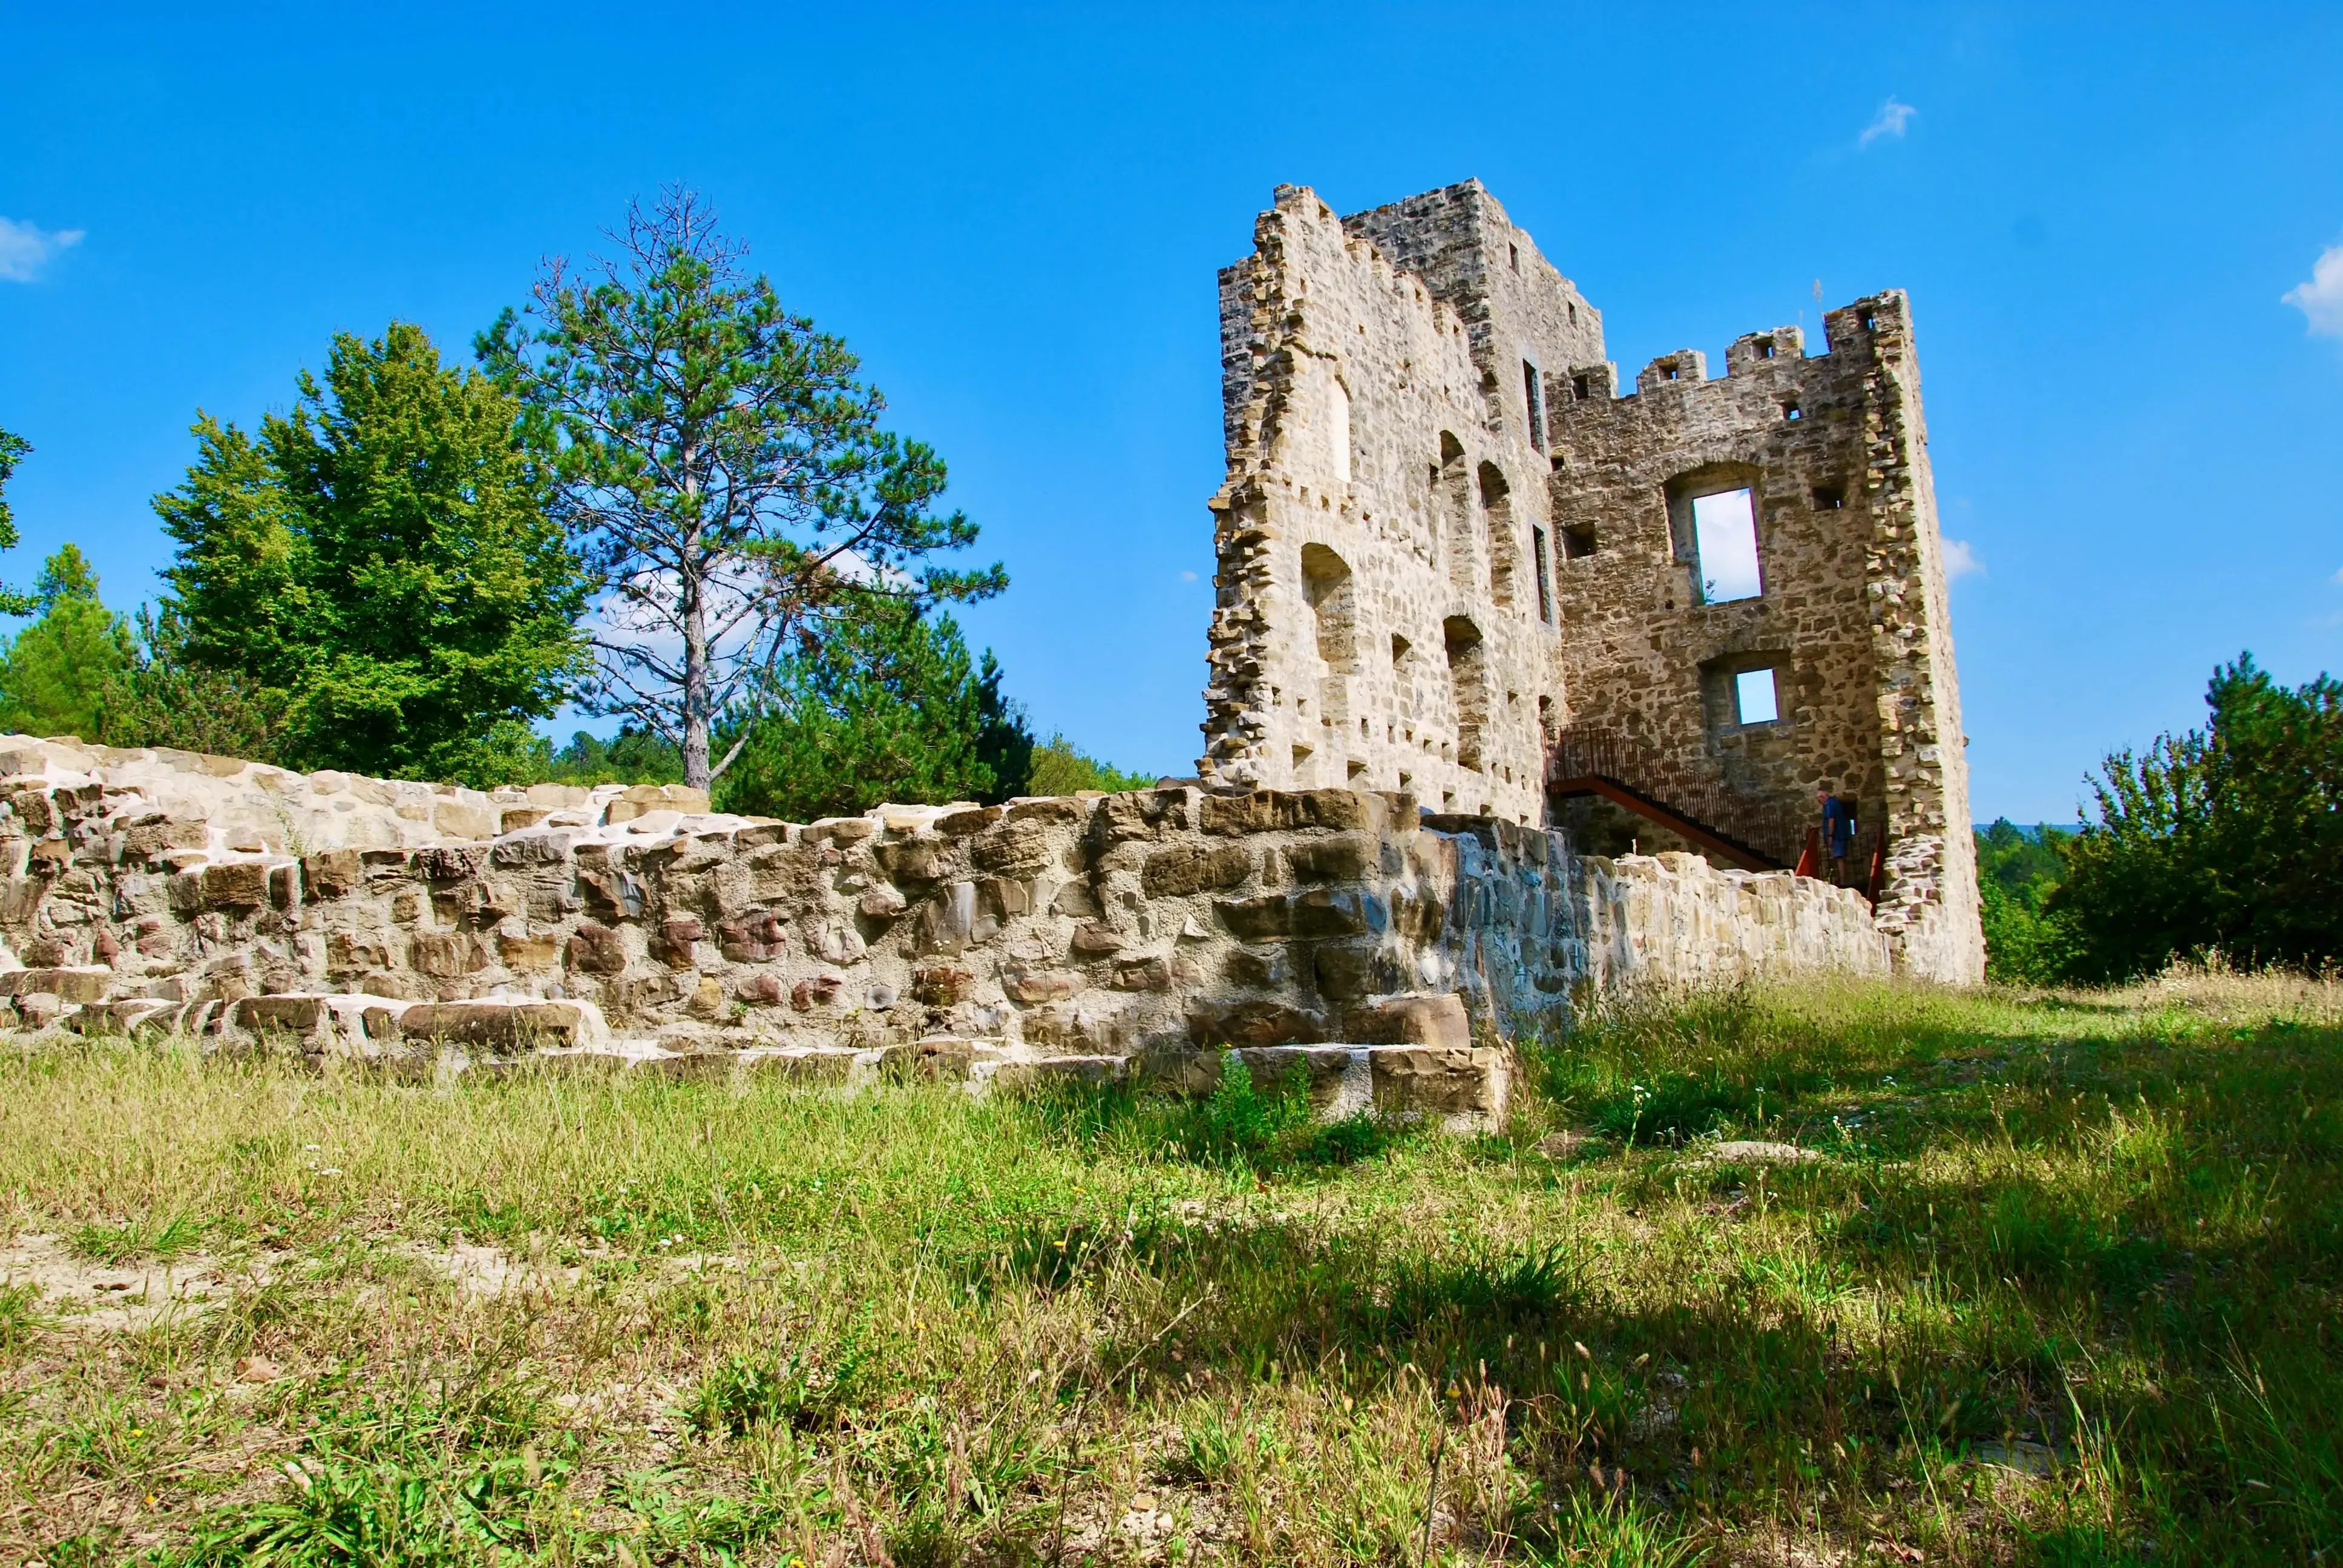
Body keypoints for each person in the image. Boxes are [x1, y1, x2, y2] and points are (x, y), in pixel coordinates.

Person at [1818, 787, 1858, 884]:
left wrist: (1830, 835)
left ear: (1823, 797)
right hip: (1842, 834)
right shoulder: (1834, 803)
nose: (1819, 802)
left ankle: (1843, 881)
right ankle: (1843, 879)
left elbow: (1831, 820)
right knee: (1840, 857)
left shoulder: (1829, 805)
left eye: (1819, 800)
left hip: (1837, 835)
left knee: (1839, 857)